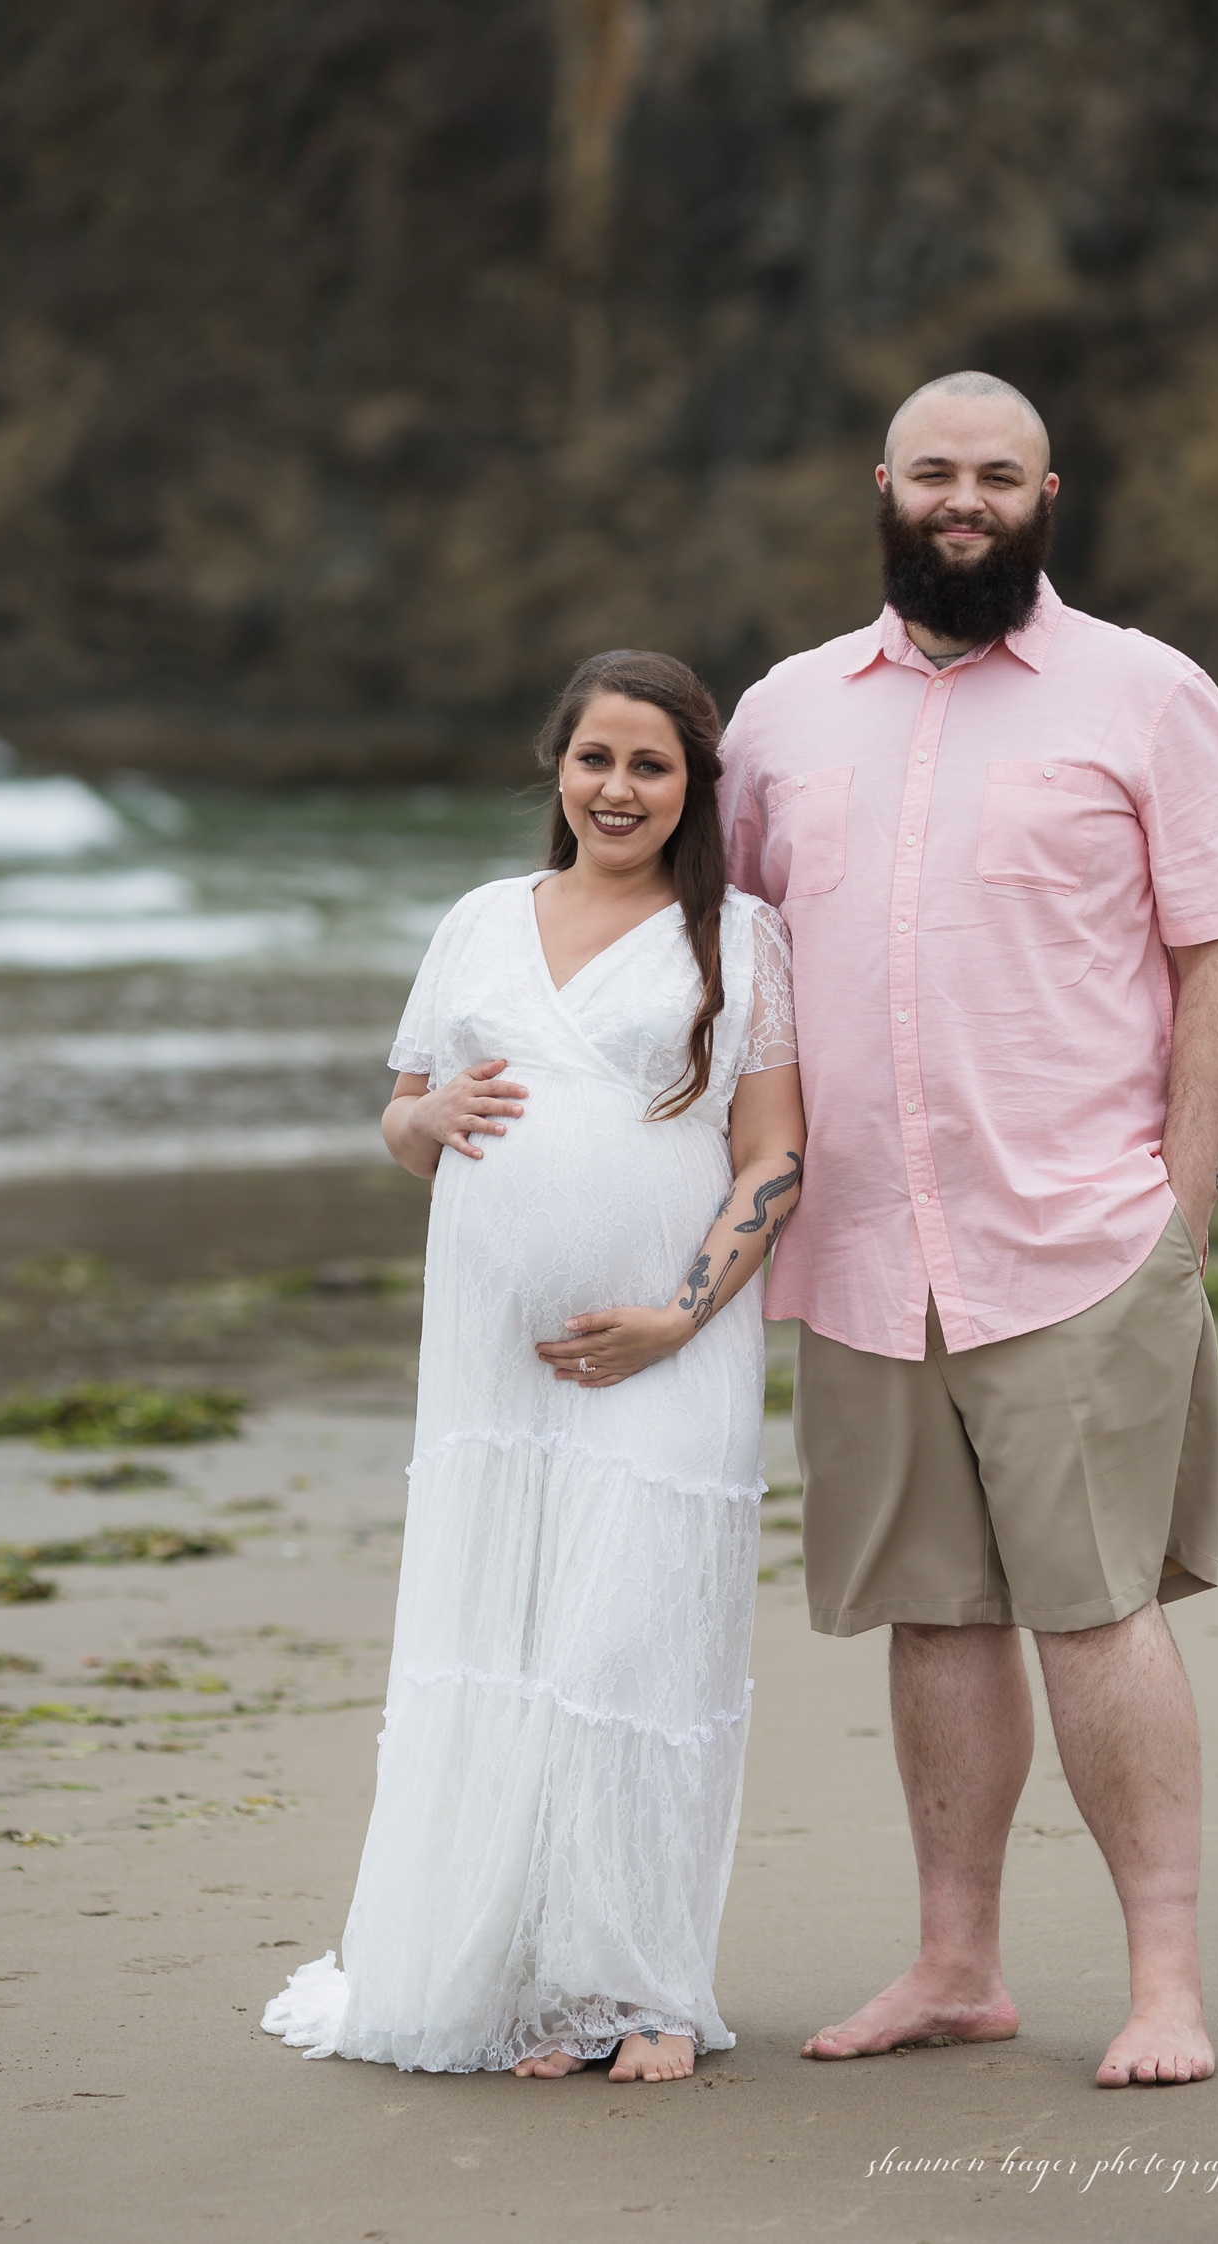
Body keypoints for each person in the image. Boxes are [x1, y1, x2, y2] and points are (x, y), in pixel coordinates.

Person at [719, 371, 1218, 2089]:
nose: (963, 499)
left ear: (1051, 494)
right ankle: (956, 1963)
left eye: (998, 475)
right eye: (935, 472)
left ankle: (1167, 1983)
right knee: (935, 1613)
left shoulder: (1150, 694)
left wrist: (1179, 1209)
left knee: (1098, 1607)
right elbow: (733, 966)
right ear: (883, 485)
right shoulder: (781, 716)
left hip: (1081, 1238)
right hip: (866, 1254)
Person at [262, 650, 804, 2084]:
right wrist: (426, 1108)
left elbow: (774, 1154)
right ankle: (539, 1986)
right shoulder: (482, 922)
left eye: (651, 766)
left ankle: (648, 1990)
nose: (618, 789)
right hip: (493, 1372)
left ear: (693, 791)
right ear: (557, 771)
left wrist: (677, 1317)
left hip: (668, 1349)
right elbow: (402, 1123)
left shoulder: (736, 938)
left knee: (633, 1646)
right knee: (509, 1650)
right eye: (596, 760)